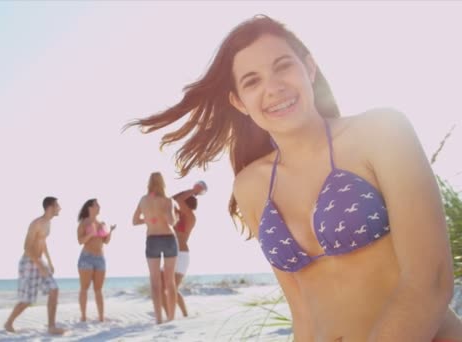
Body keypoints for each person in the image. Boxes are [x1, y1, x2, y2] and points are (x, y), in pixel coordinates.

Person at [124, 15, 462, 341]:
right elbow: (302, 312)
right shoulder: (251, 187)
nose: (273, 88)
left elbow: (429, 281)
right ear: (239, 102)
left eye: (283, 65)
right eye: (252, 81)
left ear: (309, 68)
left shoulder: (380, 132)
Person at [4, 197, 65, 335]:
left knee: (54, 290)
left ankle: (51, 326)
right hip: (29, 262)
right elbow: (26, 247)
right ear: (50, 207)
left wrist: (49, 262)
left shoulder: (48, 223)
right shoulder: (36, 223)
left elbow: (43, 242)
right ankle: (9, 323)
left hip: (39, 261)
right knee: (27, 300)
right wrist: (39, 265)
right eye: (57, 205)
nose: (60, 208)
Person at [132, 172, 178, 324]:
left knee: (155, 282)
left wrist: (149, 220)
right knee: (170, 281)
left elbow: (135, 221)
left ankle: (159, 319)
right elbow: (171, 222)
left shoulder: (143, 200)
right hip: (168, 238)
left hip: (152, 239)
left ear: (149, 183)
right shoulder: (168, 200)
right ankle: (171, 317)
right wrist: (168, 214)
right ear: (163, 183)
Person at [161, 182, 206, 318]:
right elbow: (171, 200)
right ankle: (182, 315)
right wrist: (189, 191)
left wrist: (193, 191)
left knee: (168, 287)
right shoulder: (177, 217)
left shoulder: (190, 216)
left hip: (181, 255)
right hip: (173, 254)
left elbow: (177, 200)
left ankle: (172, 316)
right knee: (168, 287)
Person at [77, 198, 116, 322]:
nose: (99, 207)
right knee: (84, 288)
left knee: (98, 289)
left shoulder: (102, 223)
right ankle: (83, 316)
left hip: (100, 258)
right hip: (86, 258)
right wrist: (91, 233)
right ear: (90, 208)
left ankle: (101, 317)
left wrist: (110, 232)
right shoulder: (83, 223)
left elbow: (106, 241)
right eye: (96, 205)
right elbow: (80, 241)